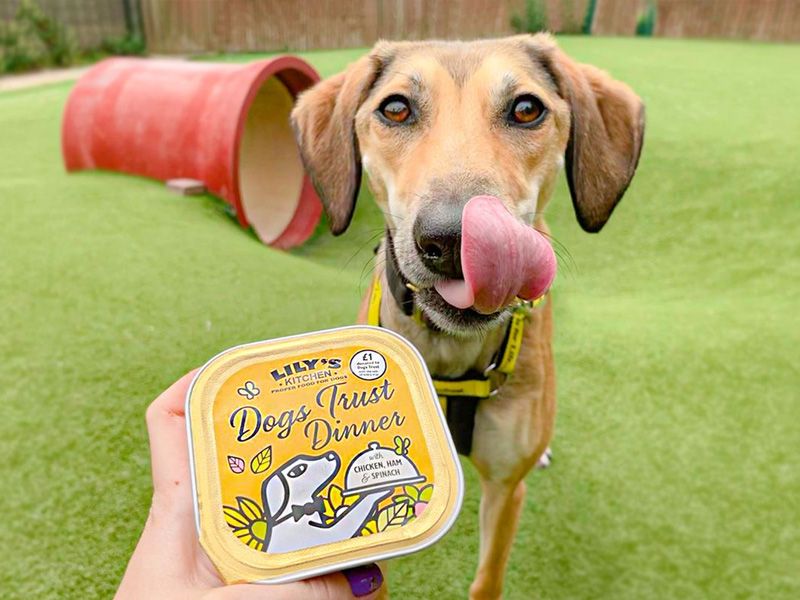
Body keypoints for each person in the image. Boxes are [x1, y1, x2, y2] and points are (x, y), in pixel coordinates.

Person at [116, 371, 383, 599]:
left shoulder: (291, 515)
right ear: (281, 493)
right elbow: (341, 530)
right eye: (302, 468)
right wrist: (371, 497)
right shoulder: (291, 521)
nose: (324, 459)